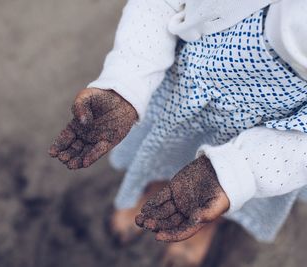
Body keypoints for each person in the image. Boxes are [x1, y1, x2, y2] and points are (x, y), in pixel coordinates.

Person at [49, 0, 307, 265]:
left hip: (278, 133)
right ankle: (155, 190)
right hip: (183, 88)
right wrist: (126, 83)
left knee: (219, 190)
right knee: (168, 154)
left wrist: (237, 172)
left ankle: (205, 222)